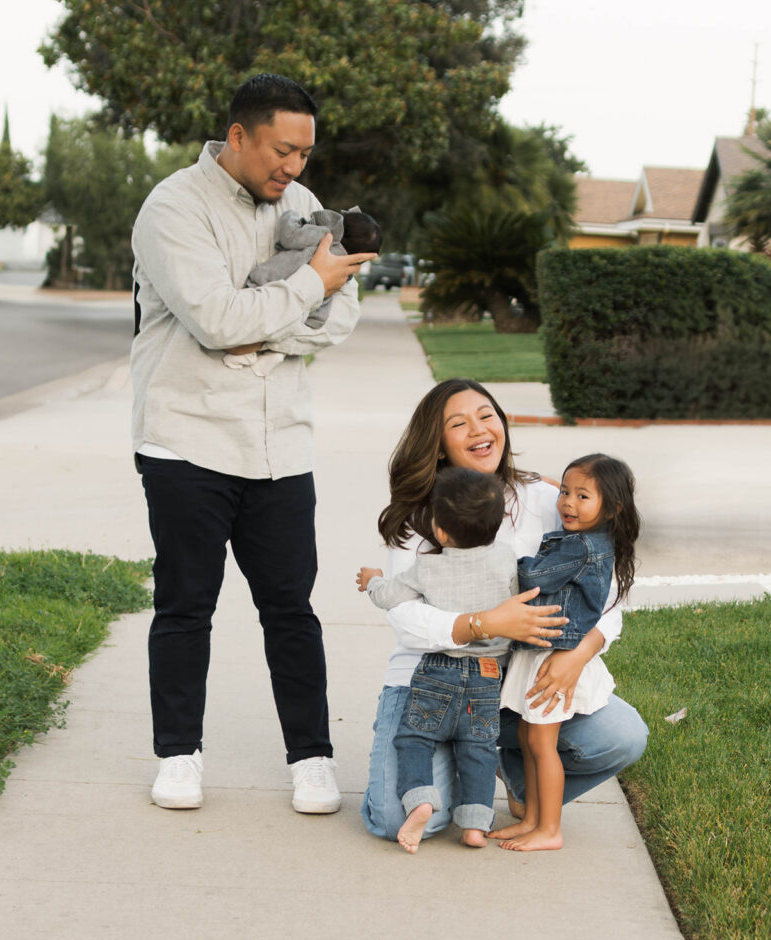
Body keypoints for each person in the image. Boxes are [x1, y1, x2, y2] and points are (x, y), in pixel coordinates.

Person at [130, 73, 376, 815]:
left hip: (280, 446)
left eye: (303, 153)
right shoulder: (174, 207)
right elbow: (212, 319)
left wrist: (264, 331)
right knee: (184, 607)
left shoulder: (302, 207)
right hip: (187, 440)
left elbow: (341, 317)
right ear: (238, 136)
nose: (293, 169)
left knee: (291, 609)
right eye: (281, 150)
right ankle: (178, 755)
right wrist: (303, 292)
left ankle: (311, 758)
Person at [360, 378, 649, 842]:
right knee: (397, 820)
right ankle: (453, 761)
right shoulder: (420, 514)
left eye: (486, 415)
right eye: (459, 423)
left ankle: (514, 776)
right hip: (433, 679)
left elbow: (608, 590)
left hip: (517, 681)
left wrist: (579, 654)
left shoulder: (547, 499)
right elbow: (406, 619)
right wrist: (486, 624)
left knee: (621, 735)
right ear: (437, 444)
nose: (479, 429)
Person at [357, 467, 520, 853]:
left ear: (442, 532)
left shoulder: (429, 566)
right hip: (487, 676)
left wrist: (373, 580)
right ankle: (476, 827)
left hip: (437, 671)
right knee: (479, 750)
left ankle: (421, 800)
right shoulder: (505, 560)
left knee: (414, 738)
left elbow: (389, 597)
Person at [496, 453, 640, 852]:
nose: (568, 503)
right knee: (528, 738)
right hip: (539, 649)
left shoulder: (581, 547)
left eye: (582, 496)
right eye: (563, 491)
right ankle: (531, 819)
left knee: (542, 743)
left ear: (612, 508)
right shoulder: (579, 539)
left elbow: (532, 576)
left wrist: (496, 562)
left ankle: (550, 829)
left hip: (554, 656)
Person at [224, 207, 381, 374]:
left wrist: (290, 215)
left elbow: (289, 237)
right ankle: (276, 353)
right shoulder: (346, 269)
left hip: (273, 280)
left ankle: (250, 352)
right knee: (291, 319)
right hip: (316, 314)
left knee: (257, 306)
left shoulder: (324, 236)